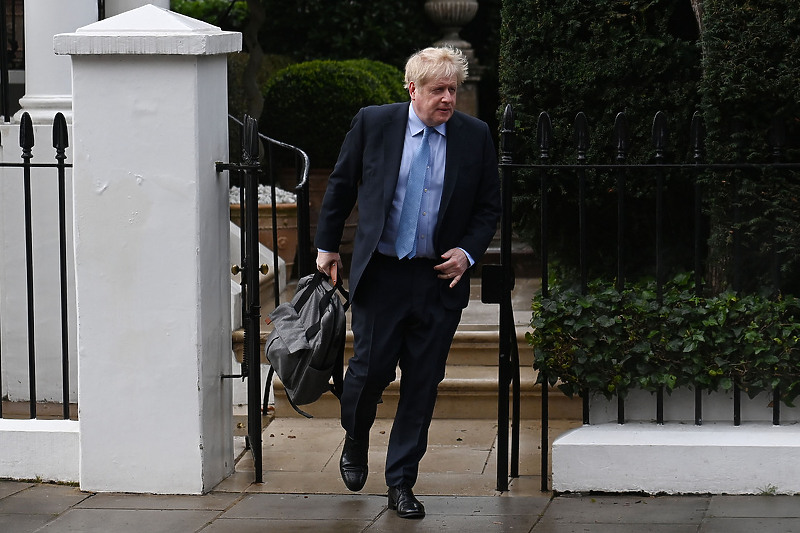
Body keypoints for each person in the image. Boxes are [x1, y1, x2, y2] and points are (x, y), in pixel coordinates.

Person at [314, 46, 501, 519]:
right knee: (368, 374)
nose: (447, 99)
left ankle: (401, 483)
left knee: (422, 383)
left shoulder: (474, 136)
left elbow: (488, 207)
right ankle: (356, 436)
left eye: (453, 90)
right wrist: (327, 246)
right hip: (382, 274)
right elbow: (340, 184)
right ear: (412, 89)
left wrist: (468, 253)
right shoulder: (375, 124)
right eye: (437, 90)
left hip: (439, 280)